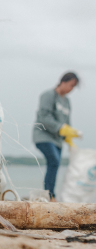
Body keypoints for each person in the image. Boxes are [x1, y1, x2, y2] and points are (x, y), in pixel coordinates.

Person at [32, 72, 80, 201]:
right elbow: (44, 117)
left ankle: (49, 193)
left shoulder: (67, 101)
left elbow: (67, 122)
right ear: (63, 82)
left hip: (57, 140)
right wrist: (61, 128)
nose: (71, 89)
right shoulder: (48, 95)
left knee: (55, 164)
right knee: (54, 160)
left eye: (74, 87)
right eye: (71, 85)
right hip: (43, 136)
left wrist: (69, 136)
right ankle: (49, 195)